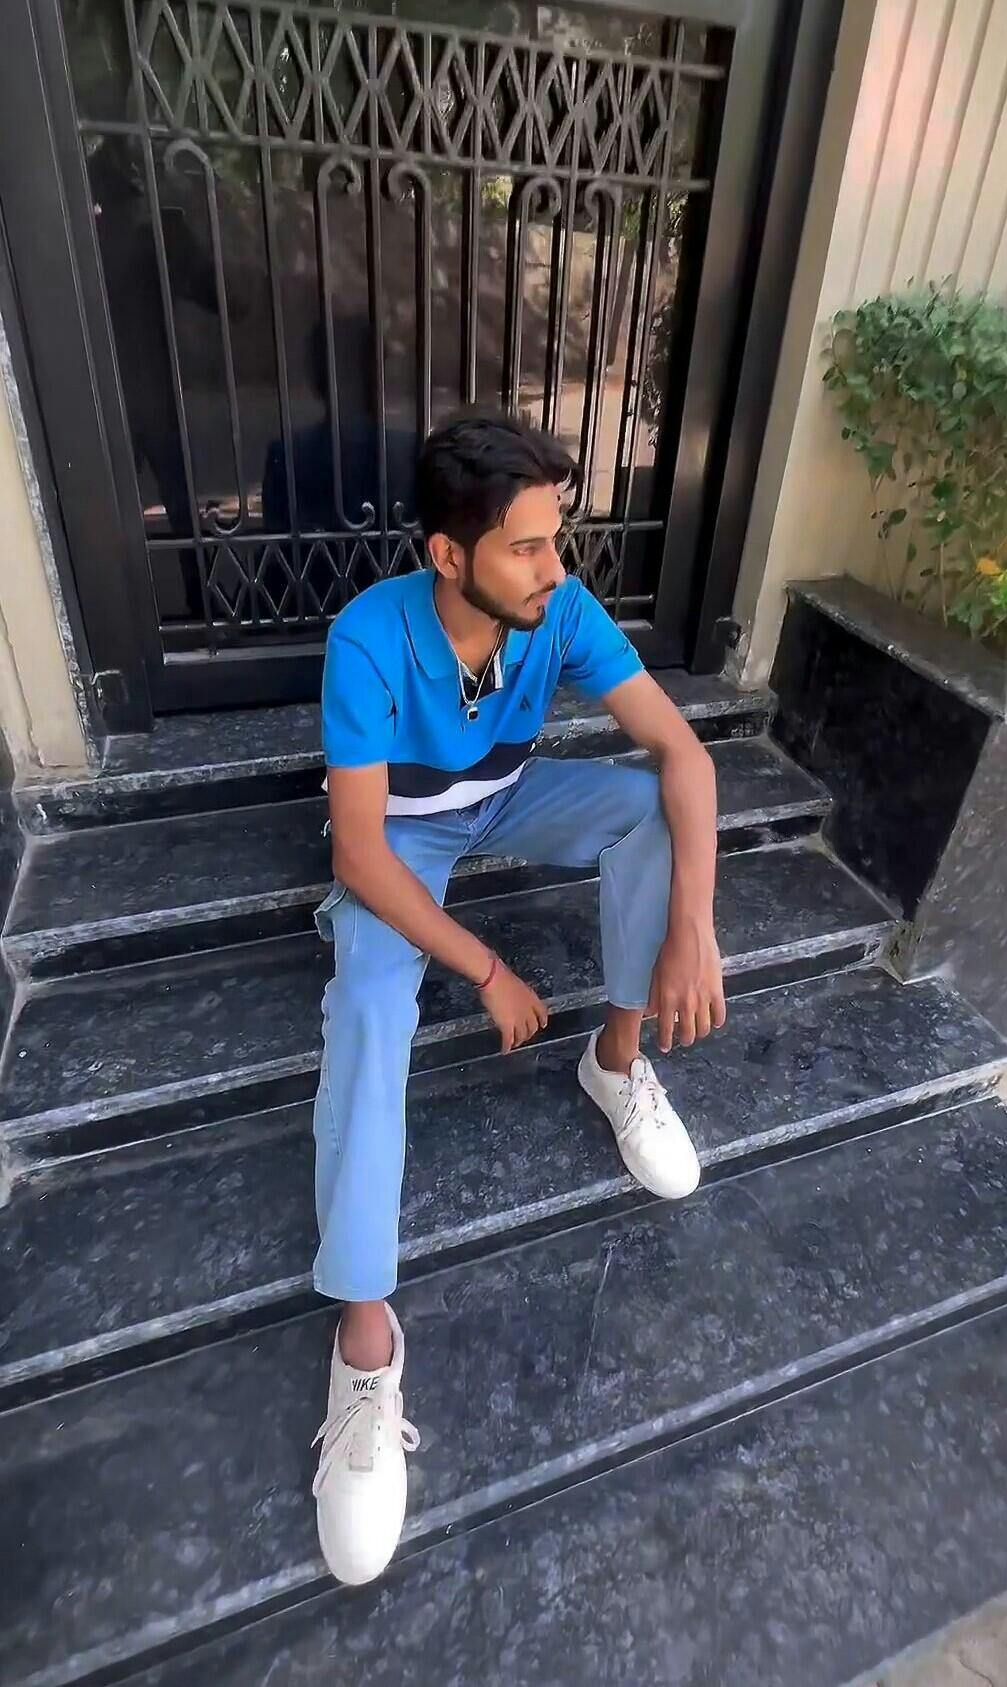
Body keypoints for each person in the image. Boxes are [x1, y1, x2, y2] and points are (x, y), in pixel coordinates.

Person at [311, 411, 726, 1584]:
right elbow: (358, 853)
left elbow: (686, 757)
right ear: (450, 556)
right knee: (370, 1009)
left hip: (506, 799)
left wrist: (693, 926)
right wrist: (488, 969)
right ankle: (365, 1342)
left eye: (558, 538)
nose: (556, 567)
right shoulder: (368, 638)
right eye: (528, 546)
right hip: (401, 842)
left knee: (653, 811)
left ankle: (617, 1060)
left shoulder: (562, 611)